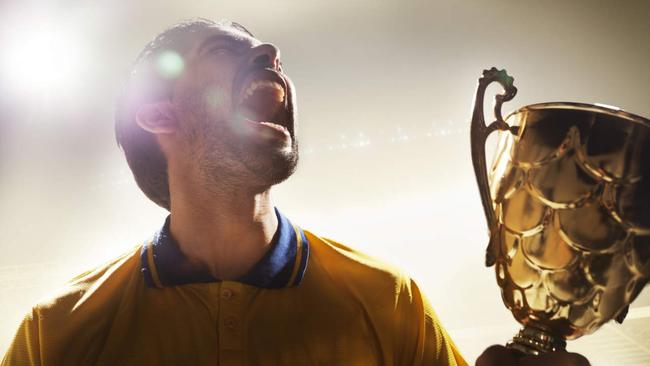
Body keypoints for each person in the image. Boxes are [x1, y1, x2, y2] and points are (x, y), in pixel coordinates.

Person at [2, 19, 589, 366]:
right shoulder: (55, 335)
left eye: (263, 50)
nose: (268, 55)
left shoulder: (390, 301)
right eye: (221, 52)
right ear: (159, 114)